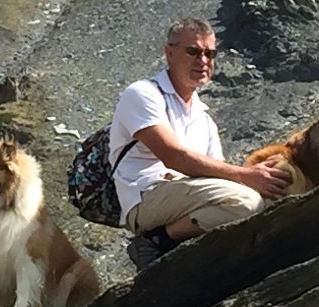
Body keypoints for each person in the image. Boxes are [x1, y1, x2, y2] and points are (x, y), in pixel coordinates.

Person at [110, 18, 292, 268]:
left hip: (186, 193)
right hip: (146, 195)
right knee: (245, 203)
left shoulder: (204, 119)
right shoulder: (143, 94)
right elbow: (174, 157)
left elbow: (216, 173)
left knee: (270, 202)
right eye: (193, 51)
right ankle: (156, 241)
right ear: (169, 53)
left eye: (210, 53)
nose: (203, 61)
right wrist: (247, 175)